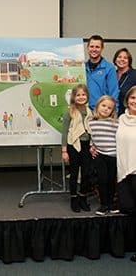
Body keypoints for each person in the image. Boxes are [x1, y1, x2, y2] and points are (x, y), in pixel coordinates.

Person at [61, 84, 92, 212]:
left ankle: (83, 197)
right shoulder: (69, 112)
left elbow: (92, 129)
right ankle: (74, 199)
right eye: (78, 95)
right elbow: (64, 132)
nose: (81, 97)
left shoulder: (90, 111)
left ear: (87, 96)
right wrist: (64, 151)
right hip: (73, 144)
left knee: (86, 173)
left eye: (83, 94)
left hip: (87, 145)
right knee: (74, 173)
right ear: (73, 97)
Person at [88, 95, 119, 215]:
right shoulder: (91, 123)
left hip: (113, 155)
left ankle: (111, 204)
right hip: (100, 155)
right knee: (102, 180)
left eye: (109, 108)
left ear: (112, 111)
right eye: (103, 105)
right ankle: (103, 205)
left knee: (111, 180)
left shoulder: (115, 123)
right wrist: (92, 147)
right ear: (97, 106)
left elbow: (119, 138)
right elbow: (91, 138)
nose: (106, 109)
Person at [116, 86, 136, 262]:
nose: (135, 101)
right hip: (124, 170)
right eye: (132, 98)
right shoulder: (121, 118)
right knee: (129, 207)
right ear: (127, 100)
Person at [85, 35, 119, 110]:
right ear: (87, 48)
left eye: (97, 47)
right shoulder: (83, 68)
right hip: (85, 112)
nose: (94, 49)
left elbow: (114, 93)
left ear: (102, 49)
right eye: (92, 46)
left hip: (102, 113)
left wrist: (114, 113)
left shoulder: (109, 68)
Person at [113, 48, 136, 116]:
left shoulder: (134, 74)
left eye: (125, 58)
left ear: (129, 61)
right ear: (115, 59)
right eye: (119, 57)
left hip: (130, 115)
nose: (122, 59)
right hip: (112, 114)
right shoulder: (111, 74)